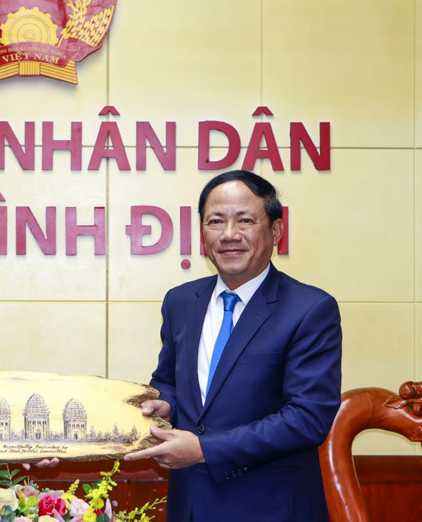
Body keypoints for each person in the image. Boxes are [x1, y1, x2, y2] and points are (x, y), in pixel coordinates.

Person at [125, 170, 342, 522]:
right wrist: (165, 403)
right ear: (202, 233)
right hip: (190, 506)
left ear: (275, 231)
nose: (229, 235)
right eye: (215, 221)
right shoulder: (181, 302)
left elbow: (308, 418)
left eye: (245, 221)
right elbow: (170, 383)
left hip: (271, 509)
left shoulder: (310, 309)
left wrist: (203, 450)